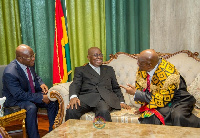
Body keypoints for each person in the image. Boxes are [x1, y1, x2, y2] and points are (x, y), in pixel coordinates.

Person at [121, 49, 200, 128]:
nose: (137, 64)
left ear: (149, 65)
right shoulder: (142, 69)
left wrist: (135, 93)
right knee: (149, 117)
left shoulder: (169, 75)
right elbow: (146, 89)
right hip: (161, 102)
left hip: (179, 100)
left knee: (178, 116)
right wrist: (144, 106)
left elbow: (160, 100)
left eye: (140, 63)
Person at [2, 44, 58, 138]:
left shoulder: (28, 62)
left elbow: (35, 76)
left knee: (52, 100)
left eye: (33, 55)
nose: (33, 59)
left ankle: (53, 132)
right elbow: (19, 95)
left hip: (29, 93)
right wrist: (40, 97)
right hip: (15, 100)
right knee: (31, 107)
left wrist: (41, 84)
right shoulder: (10, 72)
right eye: (30, 57)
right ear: (20, 59)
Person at [65, 47, 131, 122]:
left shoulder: (109, 69)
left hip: (104, 99)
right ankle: (72, 133)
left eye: (100, 55)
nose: (99, 57)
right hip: (86, 98)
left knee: (103, 111)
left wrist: (121, 101)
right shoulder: (81, 70)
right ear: (88, 57)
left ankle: (102, 133)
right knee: (71, 110)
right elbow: (75, 84)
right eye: (95, 55)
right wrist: (73, 97)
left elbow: (116, 87)